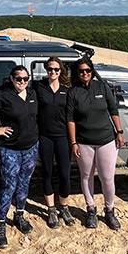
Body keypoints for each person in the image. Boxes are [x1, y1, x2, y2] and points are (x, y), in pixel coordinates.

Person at [0, 65, 39, 247]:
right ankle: (1, 223)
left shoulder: (32, 94)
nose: (22, 82)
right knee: (9, 185)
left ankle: (19, 214)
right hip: (10, 149)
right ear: (12, 79)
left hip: (31, 147)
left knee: (24, 183)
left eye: (25, 79)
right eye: (19, 79)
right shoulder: (3, 94)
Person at [66, 57, 126, 230]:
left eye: (88, 70)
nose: (85, 73)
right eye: (81, 71)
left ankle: (109, 210)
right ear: (77, 73)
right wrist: (73, 142)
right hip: (84, 142)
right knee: (86, 176)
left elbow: (113, 110)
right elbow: (70, 119)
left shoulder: (102, 87)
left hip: (106, 140)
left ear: (92, 71)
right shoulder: (73, 92)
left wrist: (119, 132)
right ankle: (91, 210)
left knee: (107, 178)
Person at [33, 57, 74, 228]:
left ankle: (63, 207)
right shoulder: (38, 87)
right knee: (47, 172)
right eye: (50, 69)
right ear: (46, 70)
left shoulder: (67, 89)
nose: (53, 72)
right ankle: (51, 209)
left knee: (65, 174)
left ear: (61, 71)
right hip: (45, 136)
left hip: (62, 136)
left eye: (56, 69)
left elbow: (72, 114)